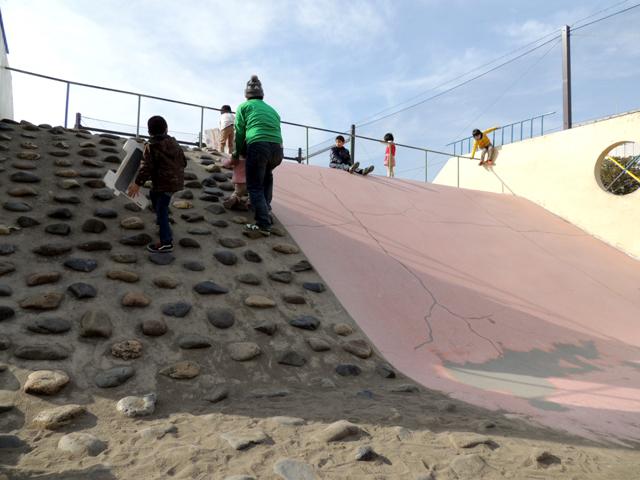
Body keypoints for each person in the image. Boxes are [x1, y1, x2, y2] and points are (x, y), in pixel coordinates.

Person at [127, 115, 186, 253]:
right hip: (175, 182)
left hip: (163, 183)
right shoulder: (175, 143)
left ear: (149, 132)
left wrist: (137, 184)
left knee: (162, 209)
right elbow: (184, 161)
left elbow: (146, 168)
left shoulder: (151, 146)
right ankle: (162, 222)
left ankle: (166, 242)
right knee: (154, 195)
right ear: (166, 129)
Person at [233, 75, 283, 236]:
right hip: (277, 149)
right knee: (267, 175)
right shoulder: (272, 110)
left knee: (254, 186)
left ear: (247, 95)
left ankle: (263, 224)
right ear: (262, 95)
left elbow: (240, 132)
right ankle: (266, 209)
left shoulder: (244, 107)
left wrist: (237, 152)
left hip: (258, 144)